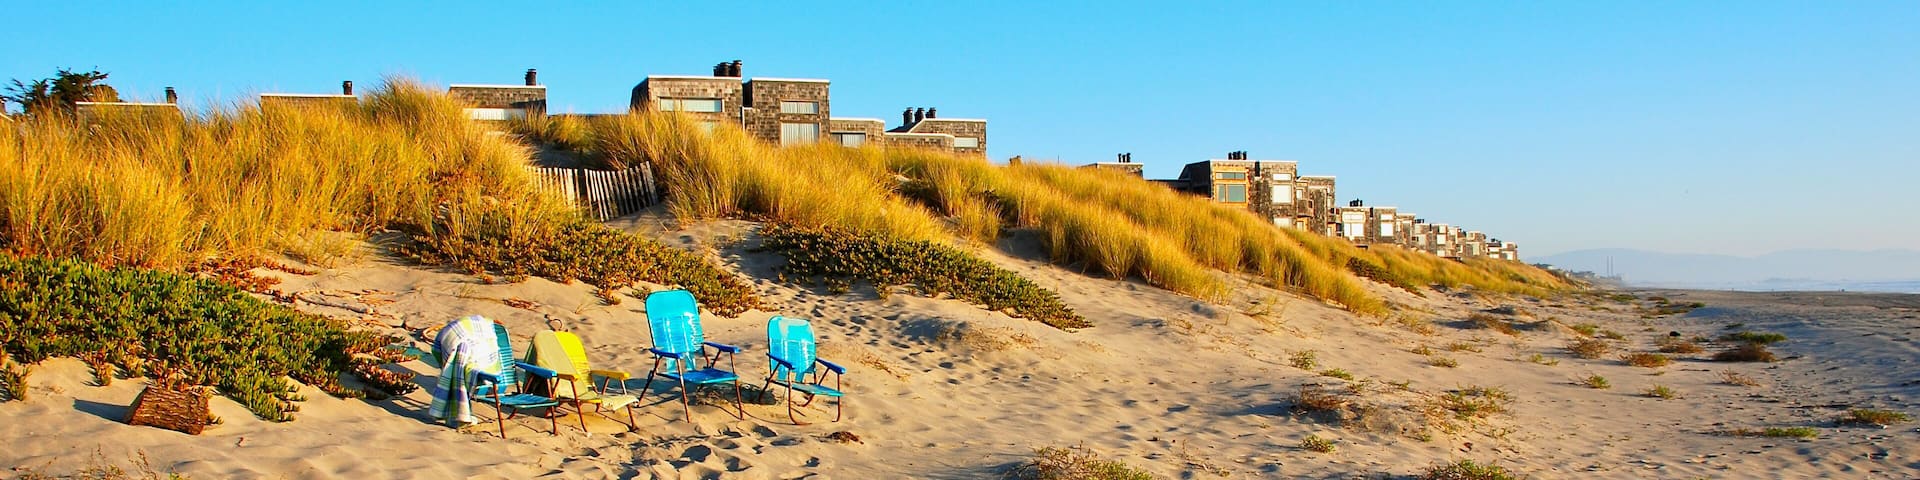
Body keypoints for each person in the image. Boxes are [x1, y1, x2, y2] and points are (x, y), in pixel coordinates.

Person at [427, 315, 502, 427]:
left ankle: (453, 410)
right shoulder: (468, 349)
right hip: (489, 379)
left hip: (489, 377)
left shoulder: (486, 345)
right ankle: (460, 413)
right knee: (460, 368)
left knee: (456, 372)